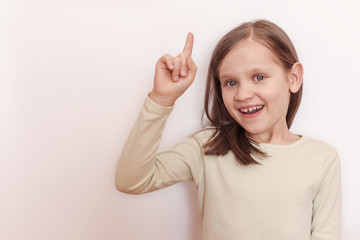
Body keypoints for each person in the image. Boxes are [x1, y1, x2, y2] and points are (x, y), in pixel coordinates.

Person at [115, 19, 341, 240]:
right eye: (230, 82)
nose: (242, 95)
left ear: (294, 77)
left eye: (259, 77)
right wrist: (162, 99)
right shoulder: (207, 147)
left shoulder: (322, 158)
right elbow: (131, 180)